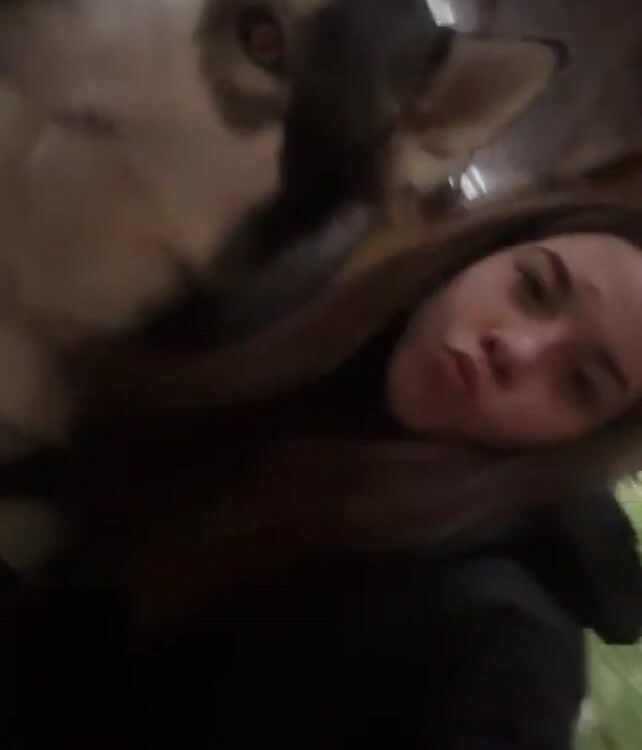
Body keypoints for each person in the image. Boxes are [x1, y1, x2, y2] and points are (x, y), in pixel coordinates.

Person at [8, 187, 642, 747]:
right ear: (482, 252)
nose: (519, 348)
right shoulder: (304, 328)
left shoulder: (500, 642)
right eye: (534, 288)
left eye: (581, 381)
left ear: (581, 442)